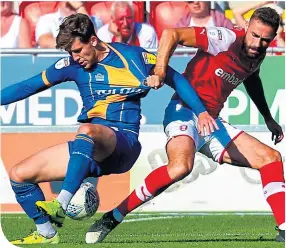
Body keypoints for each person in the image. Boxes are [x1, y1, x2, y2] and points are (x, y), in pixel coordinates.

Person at [1, 13, 217, 245]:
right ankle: (46, 233)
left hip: (122, 144)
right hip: (88, 149)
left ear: (93, 40)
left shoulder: (134, 57)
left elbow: (177, 79)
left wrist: (201, 111)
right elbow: (28, 86)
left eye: (77, 50)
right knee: (19, 175)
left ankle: (60, 204)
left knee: (87, 131)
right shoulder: (72, 66)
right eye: (70, 53)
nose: (74, 58)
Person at [86, 7, 285, 243]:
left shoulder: (256, 53)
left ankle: (284, 228)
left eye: (265, 40)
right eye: (254, 35)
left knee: (271, 158)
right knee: (180, 167)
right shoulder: (225, 39)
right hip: (183, 111)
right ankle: (113, 217)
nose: (257, 44)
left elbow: (252, 79)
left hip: (210, 122)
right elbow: (171, 34)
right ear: (248, 25)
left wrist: (268, 118)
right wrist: (160, 70)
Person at [35, 1, 103, 48]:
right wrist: (81, 42)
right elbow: (45, 43)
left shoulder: (95, 21)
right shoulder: (47, 19)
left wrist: (80, 8)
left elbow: (94, 41)